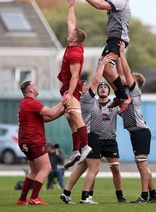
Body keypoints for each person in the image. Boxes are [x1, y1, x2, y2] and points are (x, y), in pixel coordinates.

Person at [73, 0, 132, 114]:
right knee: (103, 68)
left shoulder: (121, 2)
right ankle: (119, 95)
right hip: (112, 39)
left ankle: (124, 97)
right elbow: (96, 0)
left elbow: (99, 6)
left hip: (118, 39)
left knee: (108, 67)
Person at [60, 55, 113, 205]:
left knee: (81, 168)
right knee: (94, 169)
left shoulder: (81, 101)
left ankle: (66, 193)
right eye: (84, 86)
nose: (88, 86)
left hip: (88, 135)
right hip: (91, 136)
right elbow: (95, 81)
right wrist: (102, 64)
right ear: (80, 90)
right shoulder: (86, 99)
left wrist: (99, 65)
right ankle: (85, 197)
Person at [117, 41, 156, 203]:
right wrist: (120, 55)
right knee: (143, 165)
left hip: (140, 132)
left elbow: (125, 72)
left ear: (136, 82)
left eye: (131, 78)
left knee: (141, 165)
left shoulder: (135, 90)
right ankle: (153, 195)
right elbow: (121, 73)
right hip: (137, 132)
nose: (127, 78)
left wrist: (121, 52)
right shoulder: (125, 91)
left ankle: (144, 197)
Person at [16, 81, 66, 205]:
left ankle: (22, 199)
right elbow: (51, 112)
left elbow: (44, 118)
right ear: (31, 90)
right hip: (34, 141)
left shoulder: (24, 103)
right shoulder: (31, 103)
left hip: (24, 141)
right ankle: (34, 198)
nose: (37, 87)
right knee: (46, 167)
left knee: (34, 171)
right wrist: (63, 101)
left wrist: (61, 112)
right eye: (35, 85)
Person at [57, 0, 91, 169]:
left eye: (71, 34)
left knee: (76, 116)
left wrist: (70, 94)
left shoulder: (75, 54)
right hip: (66, 87)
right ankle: (76, 151)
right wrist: (72, 6)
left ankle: (85, 146)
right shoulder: (72, 45)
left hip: (72, 87)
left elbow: (76, 77)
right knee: (70, 118)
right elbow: (71, 22)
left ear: (76, 39)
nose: (69, 33)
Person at [89, 82, 127, 203]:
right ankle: (88, 196)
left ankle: (120, 196)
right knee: (94, 170)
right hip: (95, 140)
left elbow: (125, 113)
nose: (103, 88)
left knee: (115, 169)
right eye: (101, 87)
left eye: (105, 87)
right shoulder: (92, 104)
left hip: (110, 141)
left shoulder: (114, 104)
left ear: (108, 91)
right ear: (97, 91)